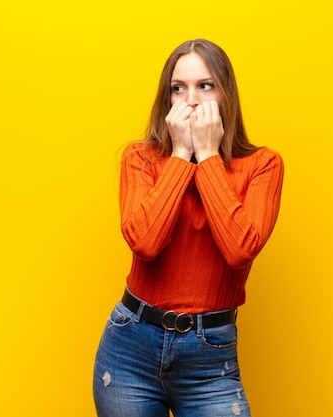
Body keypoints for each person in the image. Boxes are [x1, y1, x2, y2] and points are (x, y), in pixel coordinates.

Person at [92, 38, 284, 417]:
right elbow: (145, 243)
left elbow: (239, 249)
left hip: (210, 361)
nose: (191, 100)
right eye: (178, 89)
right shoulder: (140, 159)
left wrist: (209, 155)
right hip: (130, 348)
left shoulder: (263, 166)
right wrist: (181, 154)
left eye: (205, 86)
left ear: (226, 94)